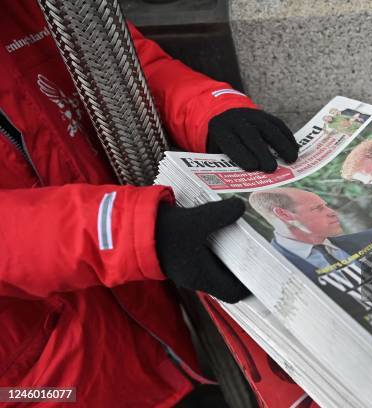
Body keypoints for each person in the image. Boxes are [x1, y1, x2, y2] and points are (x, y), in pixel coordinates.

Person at [0, 1, 298, 406]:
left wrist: (212, 108)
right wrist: (133, 232)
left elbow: (119, 60)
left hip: (152, 322)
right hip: (45, 373)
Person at [248, 187, 372, 280]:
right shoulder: (269, 271)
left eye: (326, 206)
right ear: (284, 214)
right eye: (318, 208)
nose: (332, 212)